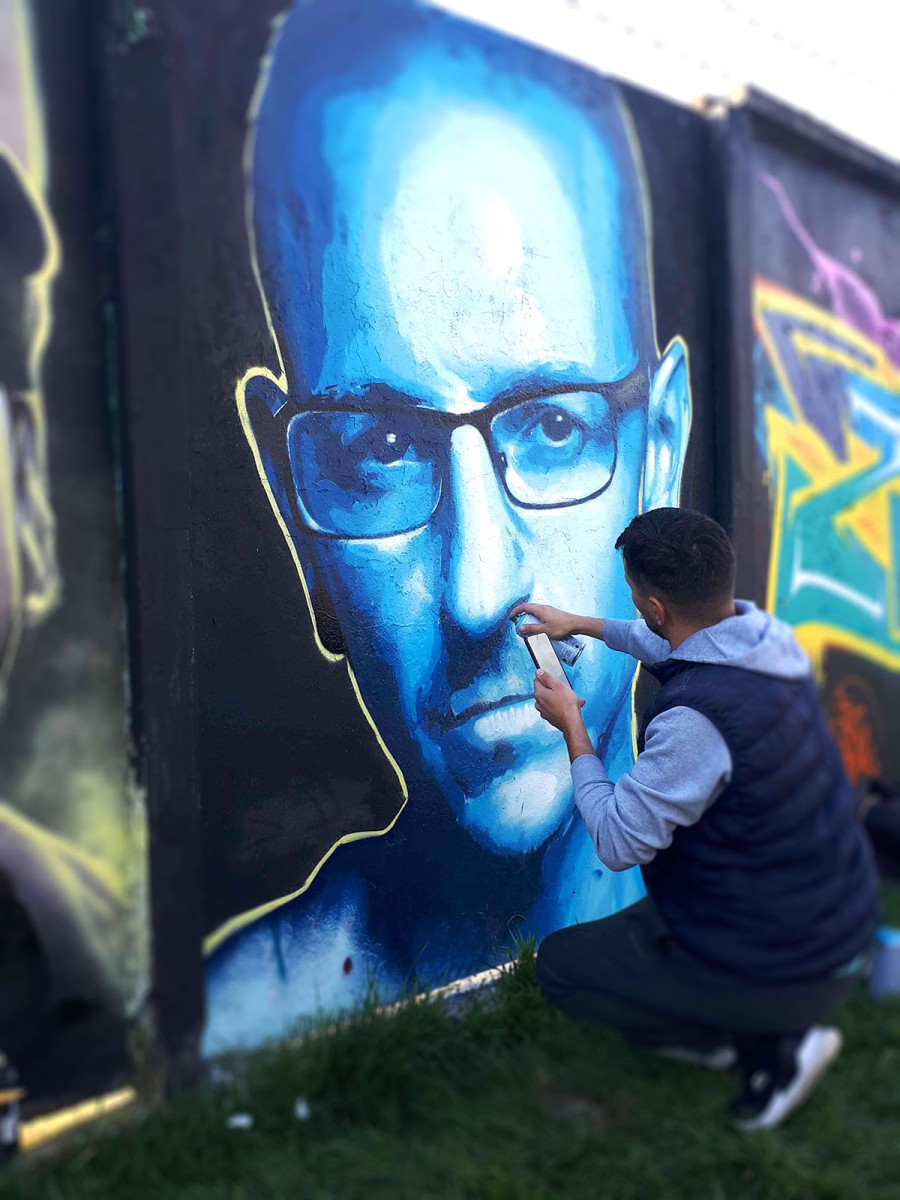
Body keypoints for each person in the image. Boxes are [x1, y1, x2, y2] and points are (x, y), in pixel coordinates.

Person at [207, 0, 692, 1047]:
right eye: (380, 450)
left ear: (661, 450)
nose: (480, 591)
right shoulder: (237, 1038)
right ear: (292, 504)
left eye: (554, 428)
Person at [525, 507, 881, 1129]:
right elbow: (669, 643)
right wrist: (577, 624)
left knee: (561, 967)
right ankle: (746, 1016)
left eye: (636, 597)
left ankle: (763, 1045)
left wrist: (572, 727)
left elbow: (617, 841)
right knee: (657, 919)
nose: (636, 609)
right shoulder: (765, 639)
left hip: (789, 957)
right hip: (831, 913)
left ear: (656, 607)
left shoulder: (696, 720)